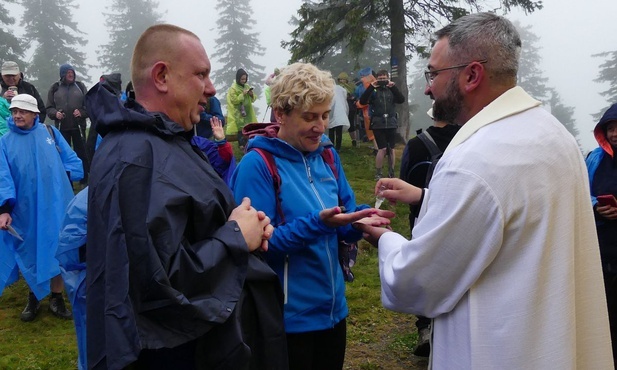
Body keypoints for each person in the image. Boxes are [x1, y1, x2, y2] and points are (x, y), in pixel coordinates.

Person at [356, 12, 613, 369]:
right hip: (551, 345)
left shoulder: (473, 160)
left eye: (433, 73)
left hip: (500, 351)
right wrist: (427, 197)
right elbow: (517, 214)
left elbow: (420, 282)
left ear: (472, 75)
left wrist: (383, 239)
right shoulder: (556, 136)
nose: (428, 87)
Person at [85, 24, 287, 370]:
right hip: (176, 355)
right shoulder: (135, 157)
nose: (210, 88)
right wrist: (236, 238)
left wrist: (243, 226)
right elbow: (157, 285)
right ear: (161, 76)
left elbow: (183, 231)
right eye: (201, 74)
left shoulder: (168, 141)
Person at [231, 62, 394, 370]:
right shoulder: (258, 164)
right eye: (309, 117)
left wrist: (361, 221)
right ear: (281, 114)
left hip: (334, 313)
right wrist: (319, 224)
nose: (320, 126)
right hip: (286, 322)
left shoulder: (328, 156)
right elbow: (259, 245)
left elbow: (343, 220)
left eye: (324, 115)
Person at [0, 94, 83, 322]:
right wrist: (4, 208)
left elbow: (73, 161)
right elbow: (2, 177)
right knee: (31, 248)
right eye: (15, 111)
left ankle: (57, 297)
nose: (17, 115)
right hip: (24, 209)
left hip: (56, 204)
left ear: (35, 114)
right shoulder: (5, 142)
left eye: (23, 111)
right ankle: (34, 296)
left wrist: (60, 179)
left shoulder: (50, 133)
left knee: (56, 247)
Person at [398, 107, 460, 357]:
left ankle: (425, 326)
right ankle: (452, 325)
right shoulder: (468, 140)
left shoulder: (417, 144)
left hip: (423, 218)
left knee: (424, 270)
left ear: (433, 116)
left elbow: (405, 182)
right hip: (458, 215)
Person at [586, 103, 617, 367]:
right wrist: (596, 206)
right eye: (610, 127)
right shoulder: (594, 158)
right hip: (603, 250)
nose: (615, 133)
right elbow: (582, 191)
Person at [46, 64, 89, 183]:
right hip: (61, 128)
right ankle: (66, 179)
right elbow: (48, 108)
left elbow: (89, 106)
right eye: (68, 73)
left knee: (82, 153)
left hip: (78, 126)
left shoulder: (80, 87)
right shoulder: (55, 88)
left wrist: (81, 112)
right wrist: (56, 114)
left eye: (72, 72)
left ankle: (84, 179)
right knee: (63, 154)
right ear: (62, 75)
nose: (71, 75)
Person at [359, 69, 405, 179]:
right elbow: (362, 101)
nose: (382, 81)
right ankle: (378, 172)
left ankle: (391, 171)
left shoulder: (391, 90)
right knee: (382, 149)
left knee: (391, 149)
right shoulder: (374, 91)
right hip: (378, 123)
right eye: (380, 79)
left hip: (391, 122)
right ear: (377, 79)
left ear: (388, 78)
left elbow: (401, 99)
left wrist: (393, 87)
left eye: (384, 78)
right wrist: (371, 87)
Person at [226, 68, 257, 149]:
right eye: (242, 79)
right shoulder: (233, 88)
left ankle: (249, 144)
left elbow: (253, 99)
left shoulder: (247, 86)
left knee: (248, 127)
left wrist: (251, 95)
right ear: (238, 78)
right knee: (240, 129)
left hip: (248, 111)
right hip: (239, 112)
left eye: (245, 79)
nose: (244, 80)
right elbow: (234, 100)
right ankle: (241, 145)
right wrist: (242, 94)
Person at [337, 72, 358, 147]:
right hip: (341, 107)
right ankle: (338, 142)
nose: (342, 81)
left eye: (344, 79)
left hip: (350, 107)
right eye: (341, 79)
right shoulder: (337, 87)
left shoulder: (351, 87)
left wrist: (353, 98)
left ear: (347, 80)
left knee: (351, 123)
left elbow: (356, 94)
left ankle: (354, 140)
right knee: (339, 125)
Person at [328, 82, 350, 151]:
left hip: (336, 112)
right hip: (340, 112)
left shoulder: (330, 89)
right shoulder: (340, 89)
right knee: (337, 130)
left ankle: (333, 146)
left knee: (332, 130)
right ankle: (337, 147)